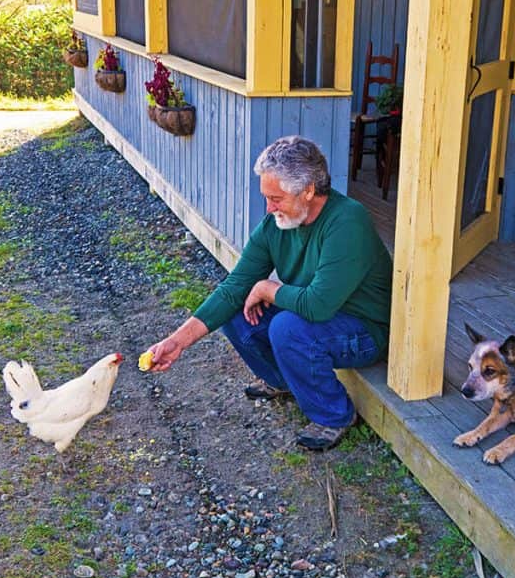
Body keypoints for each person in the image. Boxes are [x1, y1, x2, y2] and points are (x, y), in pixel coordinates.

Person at [145, 135, 393, 450]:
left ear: (308, 191)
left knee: (286, 327)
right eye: (266, 196)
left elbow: (317, 306)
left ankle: (334, 416)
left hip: (364, 329)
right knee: (237, 310)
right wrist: (176, 341)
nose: (269, 207)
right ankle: (283, 381)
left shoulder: (347, 221)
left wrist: (267, 288)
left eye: (276, 198)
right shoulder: (276, 224)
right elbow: (233, 289)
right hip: (315, 314)